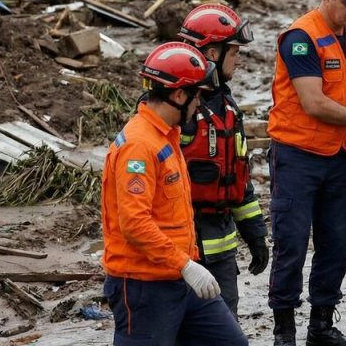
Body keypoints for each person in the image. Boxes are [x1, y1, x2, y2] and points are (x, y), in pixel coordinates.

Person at [267, 0, 346, 346]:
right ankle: (284, 331)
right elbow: (313, 102)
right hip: (297, 155)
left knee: (336, 242)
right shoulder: (301, 38)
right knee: (291, 243)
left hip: (337, 155)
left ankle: (320, 326)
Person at [101, 42, 248, 345]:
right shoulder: (139, 146)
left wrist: (185, 266)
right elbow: (134, 223)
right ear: (179, 95)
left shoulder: (168, 134)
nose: (199, 104)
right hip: (145, 285)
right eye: (197, 95)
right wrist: (184, 265)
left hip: (180, 275)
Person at [177, 4, 269, 316]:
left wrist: (255, 235)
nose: (239, 61)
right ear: (212, 54)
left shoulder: (227, 106)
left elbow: (237, 176)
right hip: (182, 255)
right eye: (234, 52)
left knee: (226, 331)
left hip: (221, 254)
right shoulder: (175, 108)